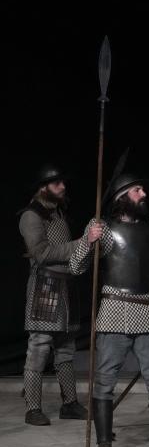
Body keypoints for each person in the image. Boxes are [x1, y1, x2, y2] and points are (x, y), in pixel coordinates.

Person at [71, 174, 149, 447]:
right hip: (114, 311)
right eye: (137, 189)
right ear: (123, 195)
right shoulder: (101, 228)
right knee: (105, 380)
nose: (144, 193)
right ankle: (104, 442)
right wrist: (87, 241)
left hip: (148, 311)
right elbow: (76, 266)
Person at [19, 165, 88, 425]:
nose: (63, 187)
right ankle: (33, 408)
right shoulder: (31, 215)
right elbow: (43, 254)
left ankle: (69, 403)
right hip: (45, 288)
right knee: (38, 347)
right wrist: (81, 244)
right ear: (43, 187)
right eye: (57, 183)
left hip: (67, 286)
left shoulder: (58, 212)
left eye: (62, 182)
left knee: (66, 349)